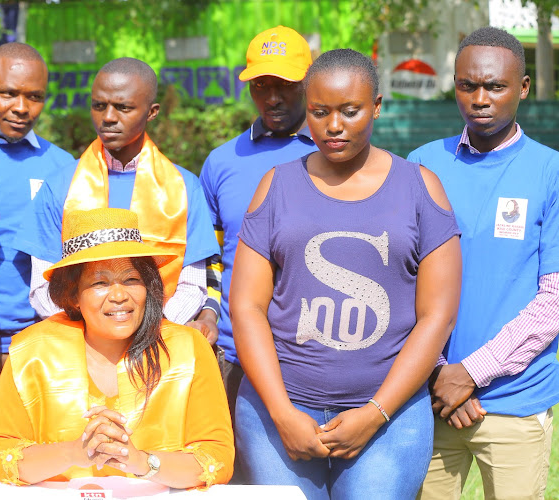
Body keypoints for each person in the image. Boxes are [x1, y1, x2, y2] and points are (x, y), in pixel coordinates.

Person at [230, 48, 461, 498]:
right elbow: (247, 306)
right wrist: (280, 413)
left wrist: (376, 412)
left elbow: (437, 317)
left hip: (389, 415)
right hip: (280, 411)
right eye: (319, 112)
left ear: (376, 105)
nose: (333, 126)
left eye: (350, 111)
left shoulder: (420, 187)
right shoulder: (275, 185)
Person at [0, 208, 234, 488]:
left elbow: (217, 457)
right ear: (73, 295)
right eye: (100, 282)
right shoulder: (31, 353)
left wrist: (141, 462)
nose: (119, 295)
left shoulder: (190, 350)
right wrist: (72, 452)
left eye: (132, 280)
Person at [409, 27, 559, 500]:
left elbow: (553, 299)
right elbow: (401, 280)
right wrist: (438, 371)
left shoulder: (550, 172)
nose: (480, 98)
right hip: (428, 398)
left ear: (524, 87)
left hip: (516, 400)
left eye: (495, 86)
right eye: (467, 85)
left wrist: (471, 373)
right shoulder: (420, 165)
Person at [13, 58, 219, 340]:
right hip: (80, 344)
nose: (108, 117)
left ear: (151, 112)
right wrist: (93, 335)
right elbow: (42, 285)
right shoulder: (60, 185)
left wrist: (148, 332)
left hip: (158, 340)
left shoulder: (184, 187)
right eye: (99, 105)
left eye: (123, 107)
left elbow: (192, 284)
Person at [199, 25, 318, 415]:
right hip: (233, 356)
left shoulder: (338, 156)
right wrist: (209, 312)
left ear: (309, 81)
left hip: (315, 359)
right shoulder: (221, 163)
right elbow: (210, 256)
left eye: (285, 84)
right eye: (260, 85)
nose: (272, 97)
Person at [0, 42, 75, 364]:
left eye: (34, 96)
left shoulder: (62, 166)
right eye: (8, 94)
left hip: (46, 342)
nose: (22, 107)